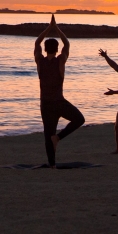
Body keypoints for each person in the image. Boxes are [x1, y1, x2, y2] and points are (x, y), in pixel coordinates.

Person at [34, 15, 84, 167]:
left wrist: (48, 28)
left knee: (48, 134)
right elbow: (67, 43)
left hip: (46, 104)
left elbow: (37, 42)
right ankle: (59, 138)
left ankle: (52, 164)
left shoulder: (40, 61)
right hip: (58, 102)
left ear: (45, 49)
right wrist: (57, 28)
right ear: (57, 49)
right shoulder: (60, 61)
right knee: (79, 119)